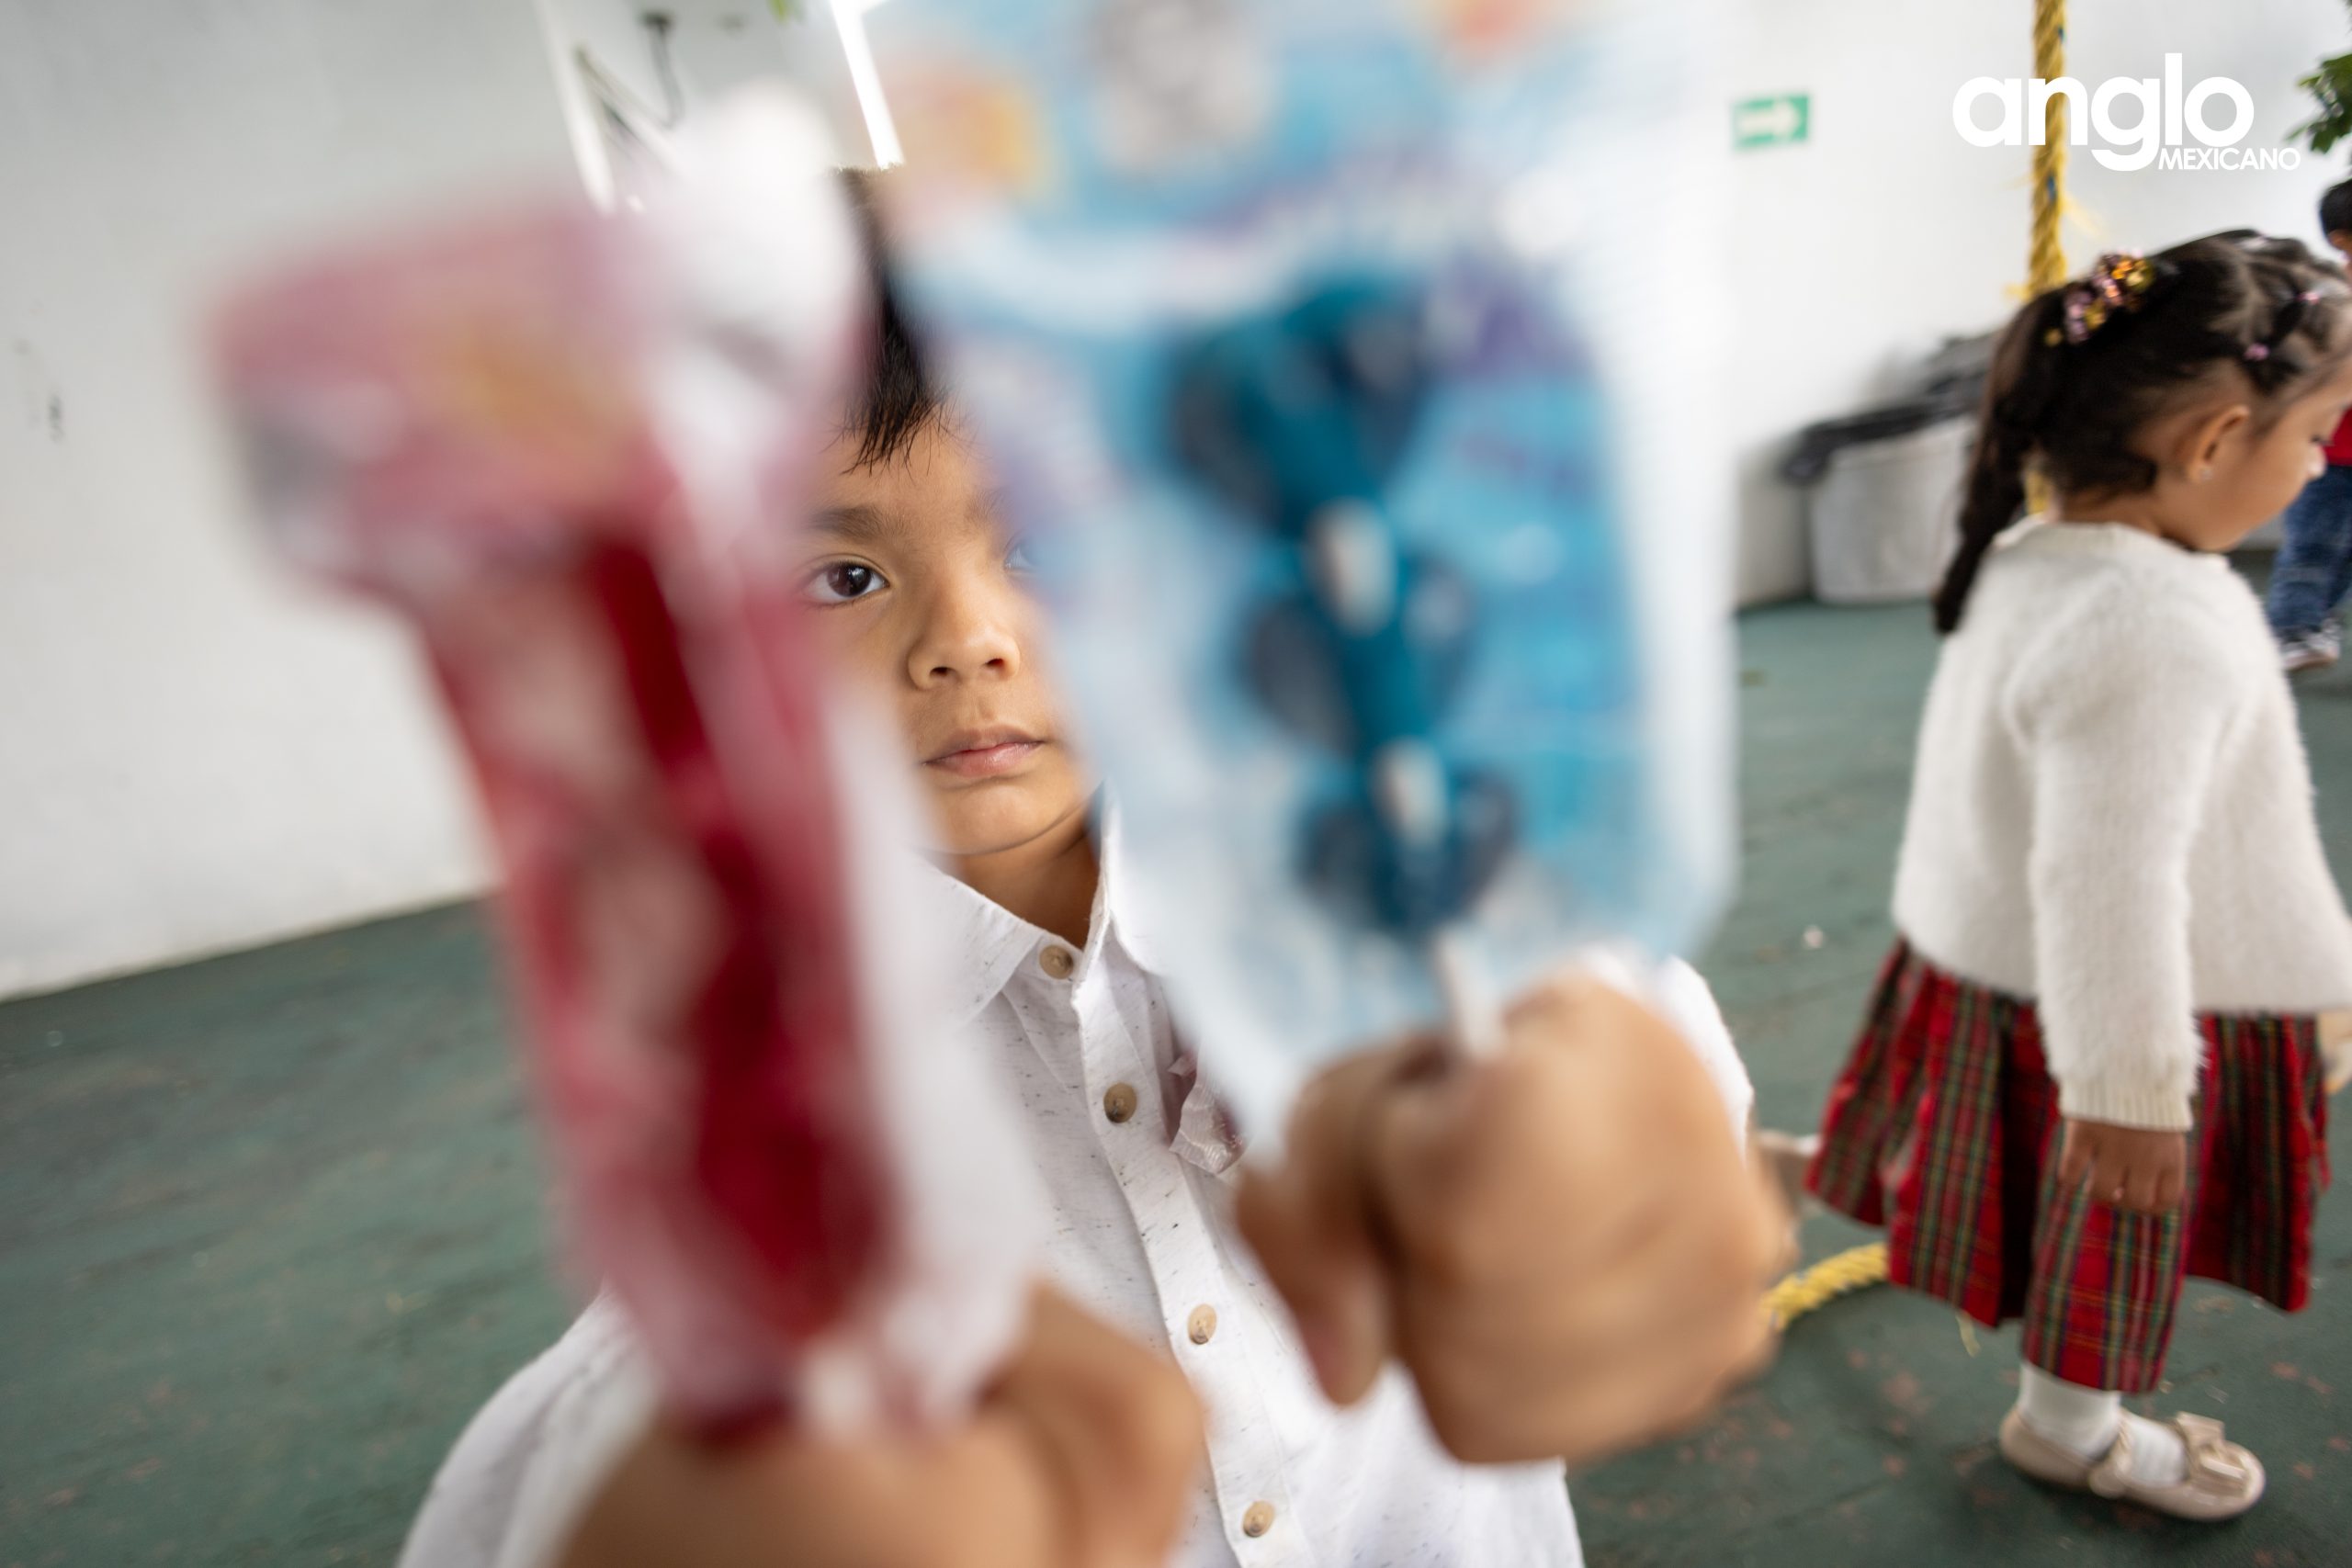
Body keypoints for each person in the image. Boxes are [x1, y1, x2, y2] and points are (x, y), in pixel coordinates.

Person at [396, 174, 1782, 1568]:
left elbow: (1644, 1091)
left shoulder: (1377, 891)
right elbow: (634, 1421)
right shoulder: (761, 1076)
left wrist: (1604, 1122)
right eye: (839, 577)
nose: (969, 639)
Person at [1807, 233, 2352, 1521]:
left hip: (2005, 968)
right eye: (2316, 435)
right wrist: (2129, 1091)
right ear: (2214, 440)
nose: (2319, 463)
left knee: (2051, 1208)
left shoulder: (2034, 554)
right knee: (2109, 1227)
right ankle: (2070, 1431)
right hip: (2126, 1012)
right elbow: (2108, 880)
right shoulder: (2157, 621)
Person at [2267, 178, 2352, 671]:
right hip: (2328, 453)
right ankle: (2288, 628)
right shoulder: (2329, 298)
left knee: (2346, 550)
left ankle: (2316, 621)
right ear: (2342, 239)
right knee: (2312, 547)